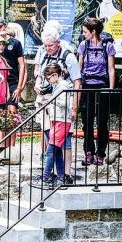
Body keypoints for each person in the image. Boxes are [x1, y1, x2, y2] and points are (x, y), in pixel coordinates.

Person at [34, 26, 82, 181]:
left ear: (58, 43)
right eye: (46, 46)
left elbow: (77, 83)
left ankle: (65, 173)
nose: (48, 49)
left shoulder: (68, 57)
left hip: (62, 107)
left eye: (51, 46)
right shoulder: (44, 54)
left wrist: (74, 106)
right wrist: (38, 83)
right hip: (48, 105)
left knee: (64, 141)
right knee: (51, 140)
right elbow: (41, 75)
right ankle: (56, 172)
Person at [78, 17, 116, 166]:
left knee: (102, 122)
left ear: (93, 32)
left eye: (85, 31)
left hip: (102, 86)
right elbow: (80, 66)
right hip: (87, 86)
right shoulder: (83, 45)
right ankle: (88, 152)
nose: (83, 34)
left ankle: (101, 153)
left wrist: (111, 89)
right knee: (86, 122)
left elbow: (111, 68)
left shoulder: (108, 45)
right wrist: (78, 86)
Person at [36, 63, 76, 188]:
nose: (48, 81)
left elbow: (64, 103)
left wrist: (51, 101)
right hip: (57, 119)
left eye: (48, 78)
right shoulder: (58, 85)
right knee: (57, 150)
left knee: (51, 150)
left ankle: (46, 176)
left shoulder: (63, 85)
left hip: (62, 121)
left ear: (55, 75)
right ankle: (60, 176)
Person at [0, 17, 26, 113]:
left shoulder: (15, 43)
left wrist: (19, 87)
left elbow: (22, 65)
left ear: (5, 27)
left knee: (12, 110)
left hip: (12, 81)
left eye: (0, 27)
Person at [0, 34, 11, 109]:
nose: (2, 46)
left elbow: (6, 78)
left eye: (3, 44)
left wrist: (7, 92)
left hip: (3, 95)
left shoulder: (3, 59)